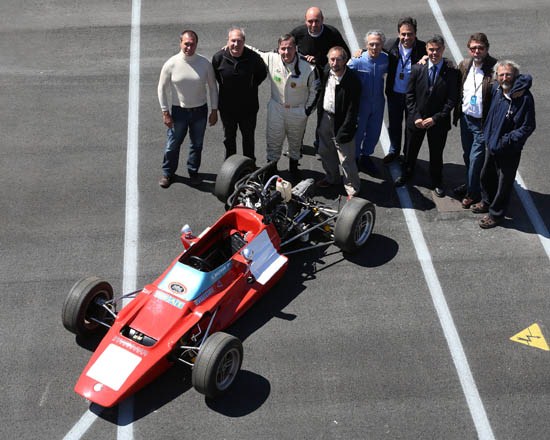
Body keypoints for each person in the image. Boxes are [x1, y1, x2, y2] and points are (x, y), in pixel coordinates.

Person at [471, 60, 536, 229]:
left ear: (515, 75)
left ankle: (496, 214)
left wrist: (506, 141)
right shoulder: (497, 90)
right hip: (492, 145)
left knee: (503, 184)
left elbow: (528, 126)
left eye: (508, 74)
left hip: (508, 150)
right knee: (486, 176)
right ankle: (486, 202)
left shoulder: (524, 98)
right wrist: (488, 135)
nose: (504, 77)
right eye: (501, 74)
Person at [394, 35, 458, 197]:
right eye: (431, 49)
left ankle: (436, 181)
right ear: (426, 50)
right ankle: (407, 174)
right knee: (410, 151)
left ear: (443, 50)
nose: (434, 53)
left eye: (437, 50)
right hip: (416, 120)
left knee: (436, 154)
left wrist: (435, 118)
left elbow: (451, 100)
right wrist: (416, 116)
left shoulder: (451, 72)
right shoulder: (417, 69)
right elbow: (409, 95)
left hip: (438, 122)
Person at [157, 30, 218, 188]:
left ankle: (193, 171)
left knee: (197, 145)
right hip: (179, 112)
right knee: (172, 145)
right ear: (180, 43)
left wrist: (214, 110)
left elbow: (212, 88)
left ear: (196, 44)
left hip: (200, 112)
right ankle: (168, 173)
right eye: (186, 44)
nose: (189, 47)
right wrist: (165, 112)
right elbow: (161, 89)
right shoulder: (171, 64)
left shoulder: (204, 64)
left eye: (192, 44)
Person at [250, 34, 318, 175]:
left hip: (297, 111)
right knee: (273, 140)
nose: (286, 52)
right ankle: (271, 171)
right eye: (283, 49)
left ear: (296, 48)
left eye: (290, 48)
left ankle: (294, 170)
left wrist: (306, 111)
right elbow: (255, 52)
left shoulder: (308, 67)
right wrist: (237, 44)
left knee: (295, 142)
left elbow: (316, 91)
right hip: (277, 108)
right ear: (278, 49)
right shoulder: (271, 58)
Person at [452, 33, 497, 208]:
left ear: (487, 48)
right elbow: (449, 72)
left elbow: (511, 81)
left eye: (480, 48)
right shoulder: (465, 65)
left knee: (476, 158)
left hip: (482, 123)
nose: (477, 51)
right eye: (473, 48)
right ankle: (471, 183)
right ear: (469, 49)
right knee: (467, 156)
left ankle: (473, 193)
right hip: (466, 119)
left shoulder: (495, 68)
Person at [211, 27, 267, 163]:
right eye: (233, 41)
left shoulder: (254, 58)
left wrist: (251, 87)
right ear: (228, 41)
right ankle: (230, 170)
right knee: (229, 140)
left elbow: (262, 74)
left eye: (239, 41)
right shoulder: (219, 58)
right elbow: (216, 77)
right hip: (227, 109)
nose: (236, 44)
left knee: (248, 140)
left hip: (249, 109)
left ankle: (249, 169)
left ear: (244, 42)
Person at [316, 46, 362, 198]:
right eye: (332, 59)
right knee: (325, 151)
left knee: (346, 158)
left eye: (338, 59)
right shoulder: (326, 72)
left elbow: (352, 109)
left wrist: (346, 129)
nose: (334, 63)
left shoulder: (352, 80)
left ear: (345, 61)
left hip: (342, 122)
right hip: (325, 118)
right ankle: (332, 178)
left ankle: (352, 188)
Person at [382, 17, 426, 164]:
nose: (406, 37)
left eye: (410, 34)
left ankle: (408, 154)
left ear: (415, 33)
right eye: (403, 34)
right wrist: (359, 52)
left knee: (411, 127)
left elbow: (437, 57)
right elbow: (373, 50)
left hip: (413, 98)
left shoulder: (423, 48)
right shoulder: (389, 45)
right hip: (394, 94)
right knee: (394, 125)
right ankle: (394, 151)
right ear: (398, 33)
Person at [347, 30, 389, 176]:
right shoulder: (357, 60)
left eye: (377, 44)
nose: (374, 47)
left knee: (374, 132)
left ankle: (366, 157)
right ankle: (355, 158)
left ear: (382, 45)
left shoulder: (386, 59)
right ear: (366, 45)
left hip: (378, 103)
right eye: (371, 44)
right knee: (358, 132)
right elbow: (343, 74)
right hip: (361, 103)